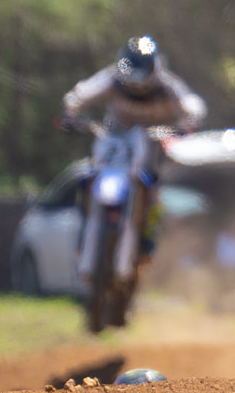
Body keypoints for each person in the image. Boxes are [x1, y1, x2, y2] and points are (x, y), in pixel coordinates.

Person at [60, 37, 207, 268]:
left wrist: (189, 121)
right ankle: (84, 231)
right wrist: (71, 111)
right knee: (88, 179)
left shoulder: (165, 84)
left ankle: (148, 238)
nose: (136, 84)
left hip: (150, 144)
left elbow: (191, 103)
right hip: (114, 140)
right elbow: (84, 92)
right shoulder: (114, 78)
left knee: (153, 188)